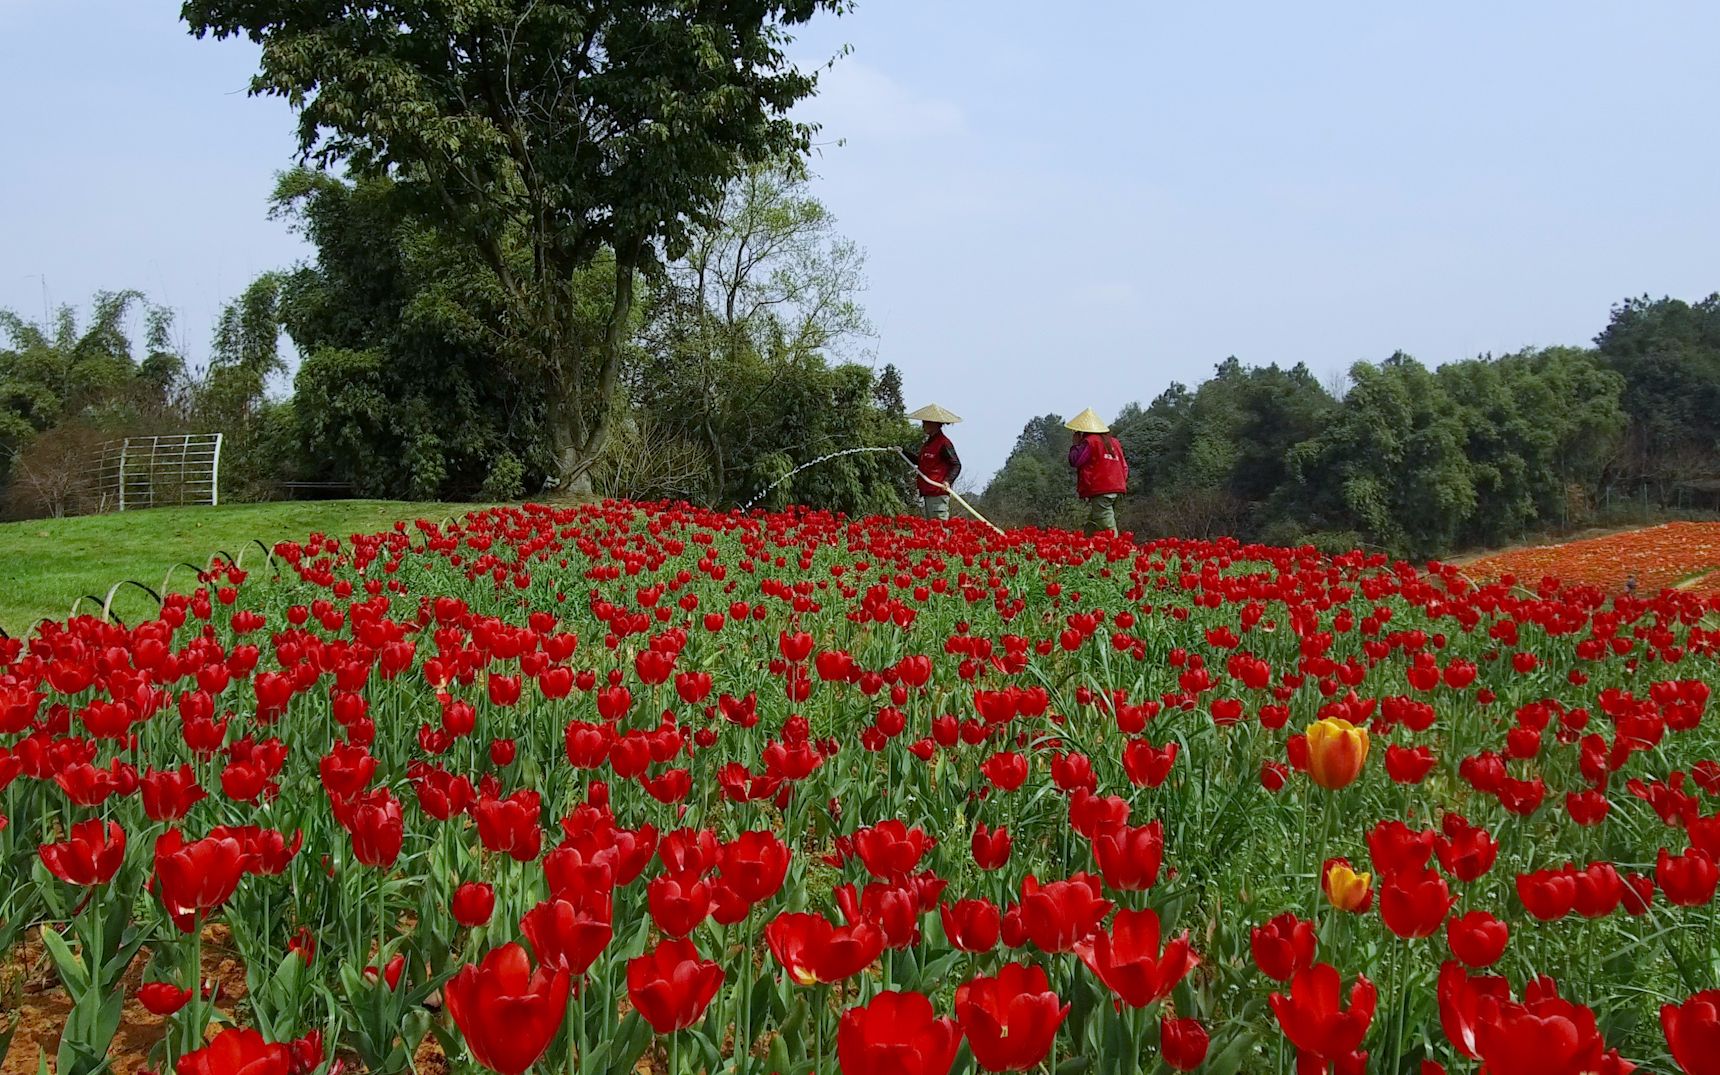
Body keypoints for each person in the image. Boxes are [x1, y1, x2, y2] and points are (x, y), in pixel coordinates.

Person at [1065, 407, 1128, 533]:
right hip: (1117, 487)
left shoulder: (1090, 442)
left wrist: (1076, 444)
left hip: (1101, 488)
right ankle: (1086, 545)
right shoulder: (1114, 442)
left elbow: (1075, 460)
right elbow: (1124, 466)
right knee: (1093, 523)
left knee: (1106, 523)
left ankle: (1119, 548)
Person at [901, 403, 963, 520]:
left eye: (925, 423)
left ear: (934, 424)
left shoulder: (944, 443)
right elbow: (920, 462)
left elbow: (956, 464)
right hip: (928, 492)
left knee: (939, 528)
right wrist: (903, 452)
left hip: (937, 493)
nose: (923, 426)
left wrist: (947, 481)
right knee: (931, 528)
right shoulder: (928, 444)